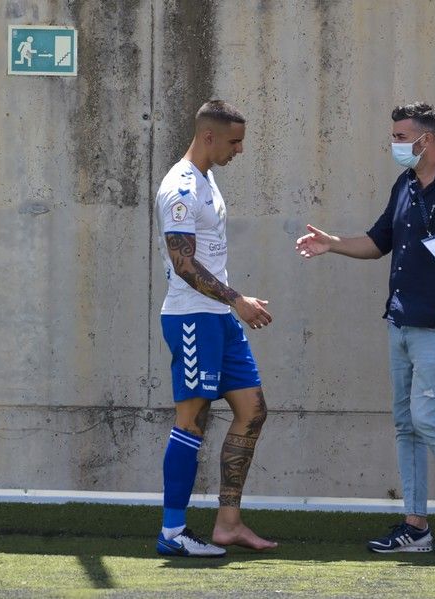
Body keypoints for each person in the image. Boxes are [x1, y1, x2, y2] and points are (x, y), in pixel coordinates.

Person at [295, 102, 435, 555]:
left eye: (399, 137)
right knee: (406, 423)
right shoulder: (406, 183)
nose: (393, 144)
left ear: (425, 140)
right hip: (400, 320)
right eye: (393, 137)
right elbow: (377, 243)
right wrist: (332, 245)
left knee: (428, 417)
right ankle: (415, 524)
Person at [154, 100, 277, 557]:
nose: (240, 149)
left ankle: (228, 524)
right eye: (234, 141)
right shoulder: (181, 188)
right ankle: (172, 534)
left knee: (253, 410)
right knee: (192, 420)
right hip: (192, 317)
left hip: (220, 319)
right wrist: (237, 299)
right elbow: (183, 264)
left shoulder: (207, 178)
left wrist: (232, 306)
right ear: (208, 136)